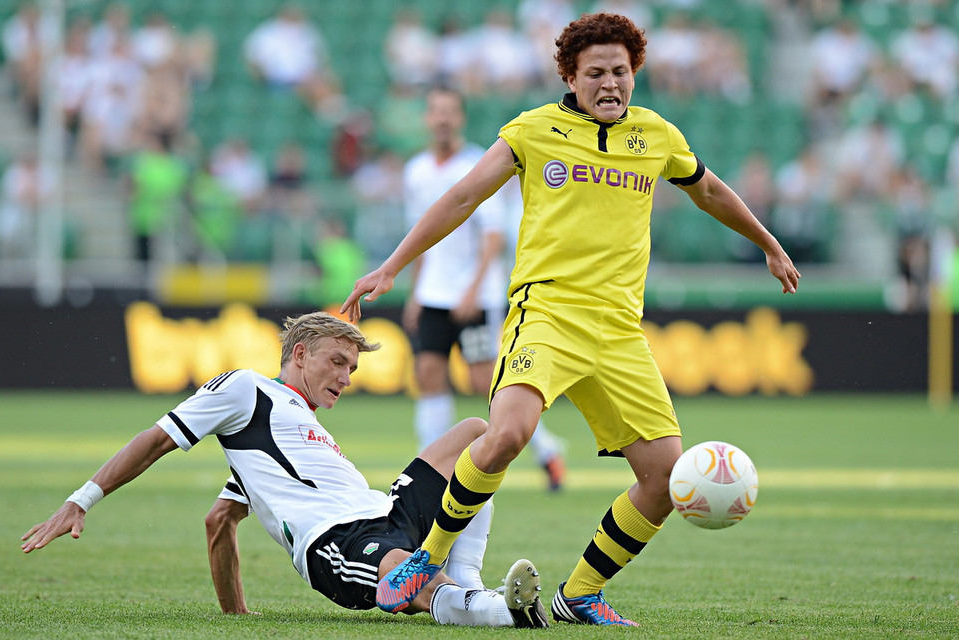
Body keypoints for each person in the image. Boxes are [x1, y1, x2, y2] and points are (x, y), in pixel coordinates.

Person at [342, 12, 800, 626]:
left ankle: (580, 593)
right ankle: (428, 558)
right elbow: (462, 196)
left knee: (664, 477)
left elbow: (709, 190)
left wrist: (768, 242)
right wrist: (393, 265)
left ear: (634, 74)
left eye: (620, 72)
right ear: (570, 76)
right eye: (595, 73)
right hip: (548, 314)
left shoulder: (656, 135)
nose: (610, 84)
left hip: (618, 332)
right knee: (507, 434)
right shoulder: (534, 130)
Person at [21, 311, 548, 628]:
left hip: (386, 510)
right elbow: (156, 439)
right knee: (403, 578)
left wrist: (238, 618)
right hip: (336, 541)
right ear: (300, 353)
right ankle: (498, 610)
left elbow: (218, 521)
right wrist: (82, 498)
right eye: (336, 363)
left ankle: (468, 580)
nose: (346, 377)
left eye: (353, 369)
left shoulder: (284, 441)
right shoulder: (245, 389)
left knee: (478, 433)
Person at [402, 86, 566, 490]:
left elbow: (493, 236)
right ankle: (429, 467)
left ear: (460, 118)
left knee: (483, 383)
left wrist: (473, 290)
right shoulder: (417, 171)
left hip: (475, 296)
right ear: (427, 118)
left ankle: (547, 450)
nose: (442, 119)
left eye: (449, 112)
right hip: (434, 293)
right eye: (435, 111)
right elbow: (420, 234)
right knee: (428, 373)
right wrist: (415, 292)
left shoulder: (478, 163)